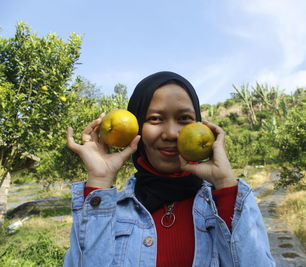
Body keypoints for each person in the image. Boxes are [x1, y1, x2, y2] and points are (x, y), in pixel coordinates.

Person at [63, 71, 275, 267]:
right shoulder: (110, 212)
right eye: (155, 119)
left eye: (184, 119)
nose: (172, 133)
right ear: (136, 128)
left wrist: (226, 185)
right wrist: (99, 181)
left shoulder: (224, 203)